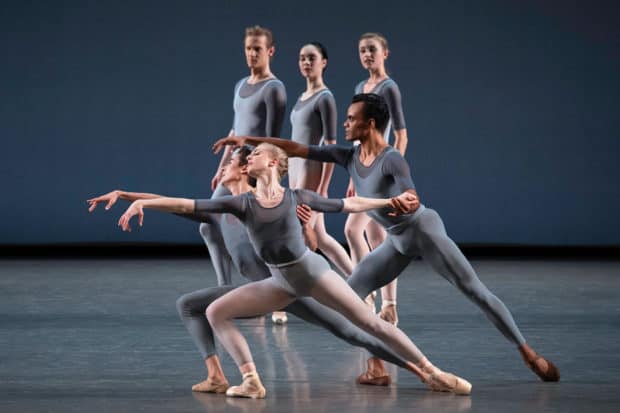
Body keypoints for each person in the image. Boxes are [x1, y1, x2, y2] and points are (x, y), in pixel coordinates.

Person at [212, 93, 561, 385]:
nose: (345, 124)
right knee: (353, 293)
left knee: (473, 289)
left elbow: (410, 192)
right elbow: (296, 148)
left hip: (422, 231)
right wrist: (248, 141)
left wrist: (407, 198)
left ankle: (527, 352)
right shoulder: (348, 156)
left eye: (351, 119)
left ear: (371, 124)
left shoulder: (390, 157)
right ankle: (377, 368)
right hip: (395, 241)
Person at [116, 143, 472, 398]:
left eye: (256, 154)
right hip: (279, 281)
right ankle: (251, 380)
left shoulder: (297, 197)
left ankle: (432, 371)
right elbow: (185, 202)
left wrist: (388, 201)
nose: (249, 157)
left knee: (368, 324)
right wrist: (143, 202)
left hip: (314, 275)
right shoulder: (240, 203)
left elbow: (350, 203)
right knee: (214, 310)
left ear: (272, 164)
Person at [203, 25, 287, 324]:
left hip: (255, 167)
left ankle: (274, 294)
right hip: (236, 164)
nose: (252, 54)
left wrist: (261, 175)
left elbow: (273, 141)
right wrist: (221, 166)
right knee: (208, 225)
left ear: (270, 51)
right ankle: (224, 288)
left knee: (259, 235)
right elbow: (235, 129)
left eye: (258, 49)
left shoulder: (274, 88)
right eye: (248, 48)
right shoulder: (240, 84)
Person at [346, 33, 408, 325]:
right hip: (364, 165)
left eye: (372, 49)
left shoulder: (389, 87)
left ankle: (384, 301)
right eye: (362, 50)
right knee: (370, 234)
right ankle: (380, 300)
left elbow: (401, 134)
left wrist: (390, 169)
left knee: (364, 231)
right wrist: (356, 169)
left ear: (386, 53)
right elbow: (359, 133)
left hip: (381, 168)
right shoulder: (361, 86)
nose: (367, 54)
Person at [288, 41, 354, 278]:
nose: (306, 62)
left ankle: (290, 294)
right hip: (295, 169)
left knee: (296, 231)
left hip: (311, 170)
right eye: (302, 58)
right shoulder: (302, 96)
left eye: (311, 58)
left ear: (323, 63)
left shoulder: (325, 97)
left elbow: (330, 145)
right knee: (322, 237)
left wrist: (324, 186)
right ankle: (361, 282)